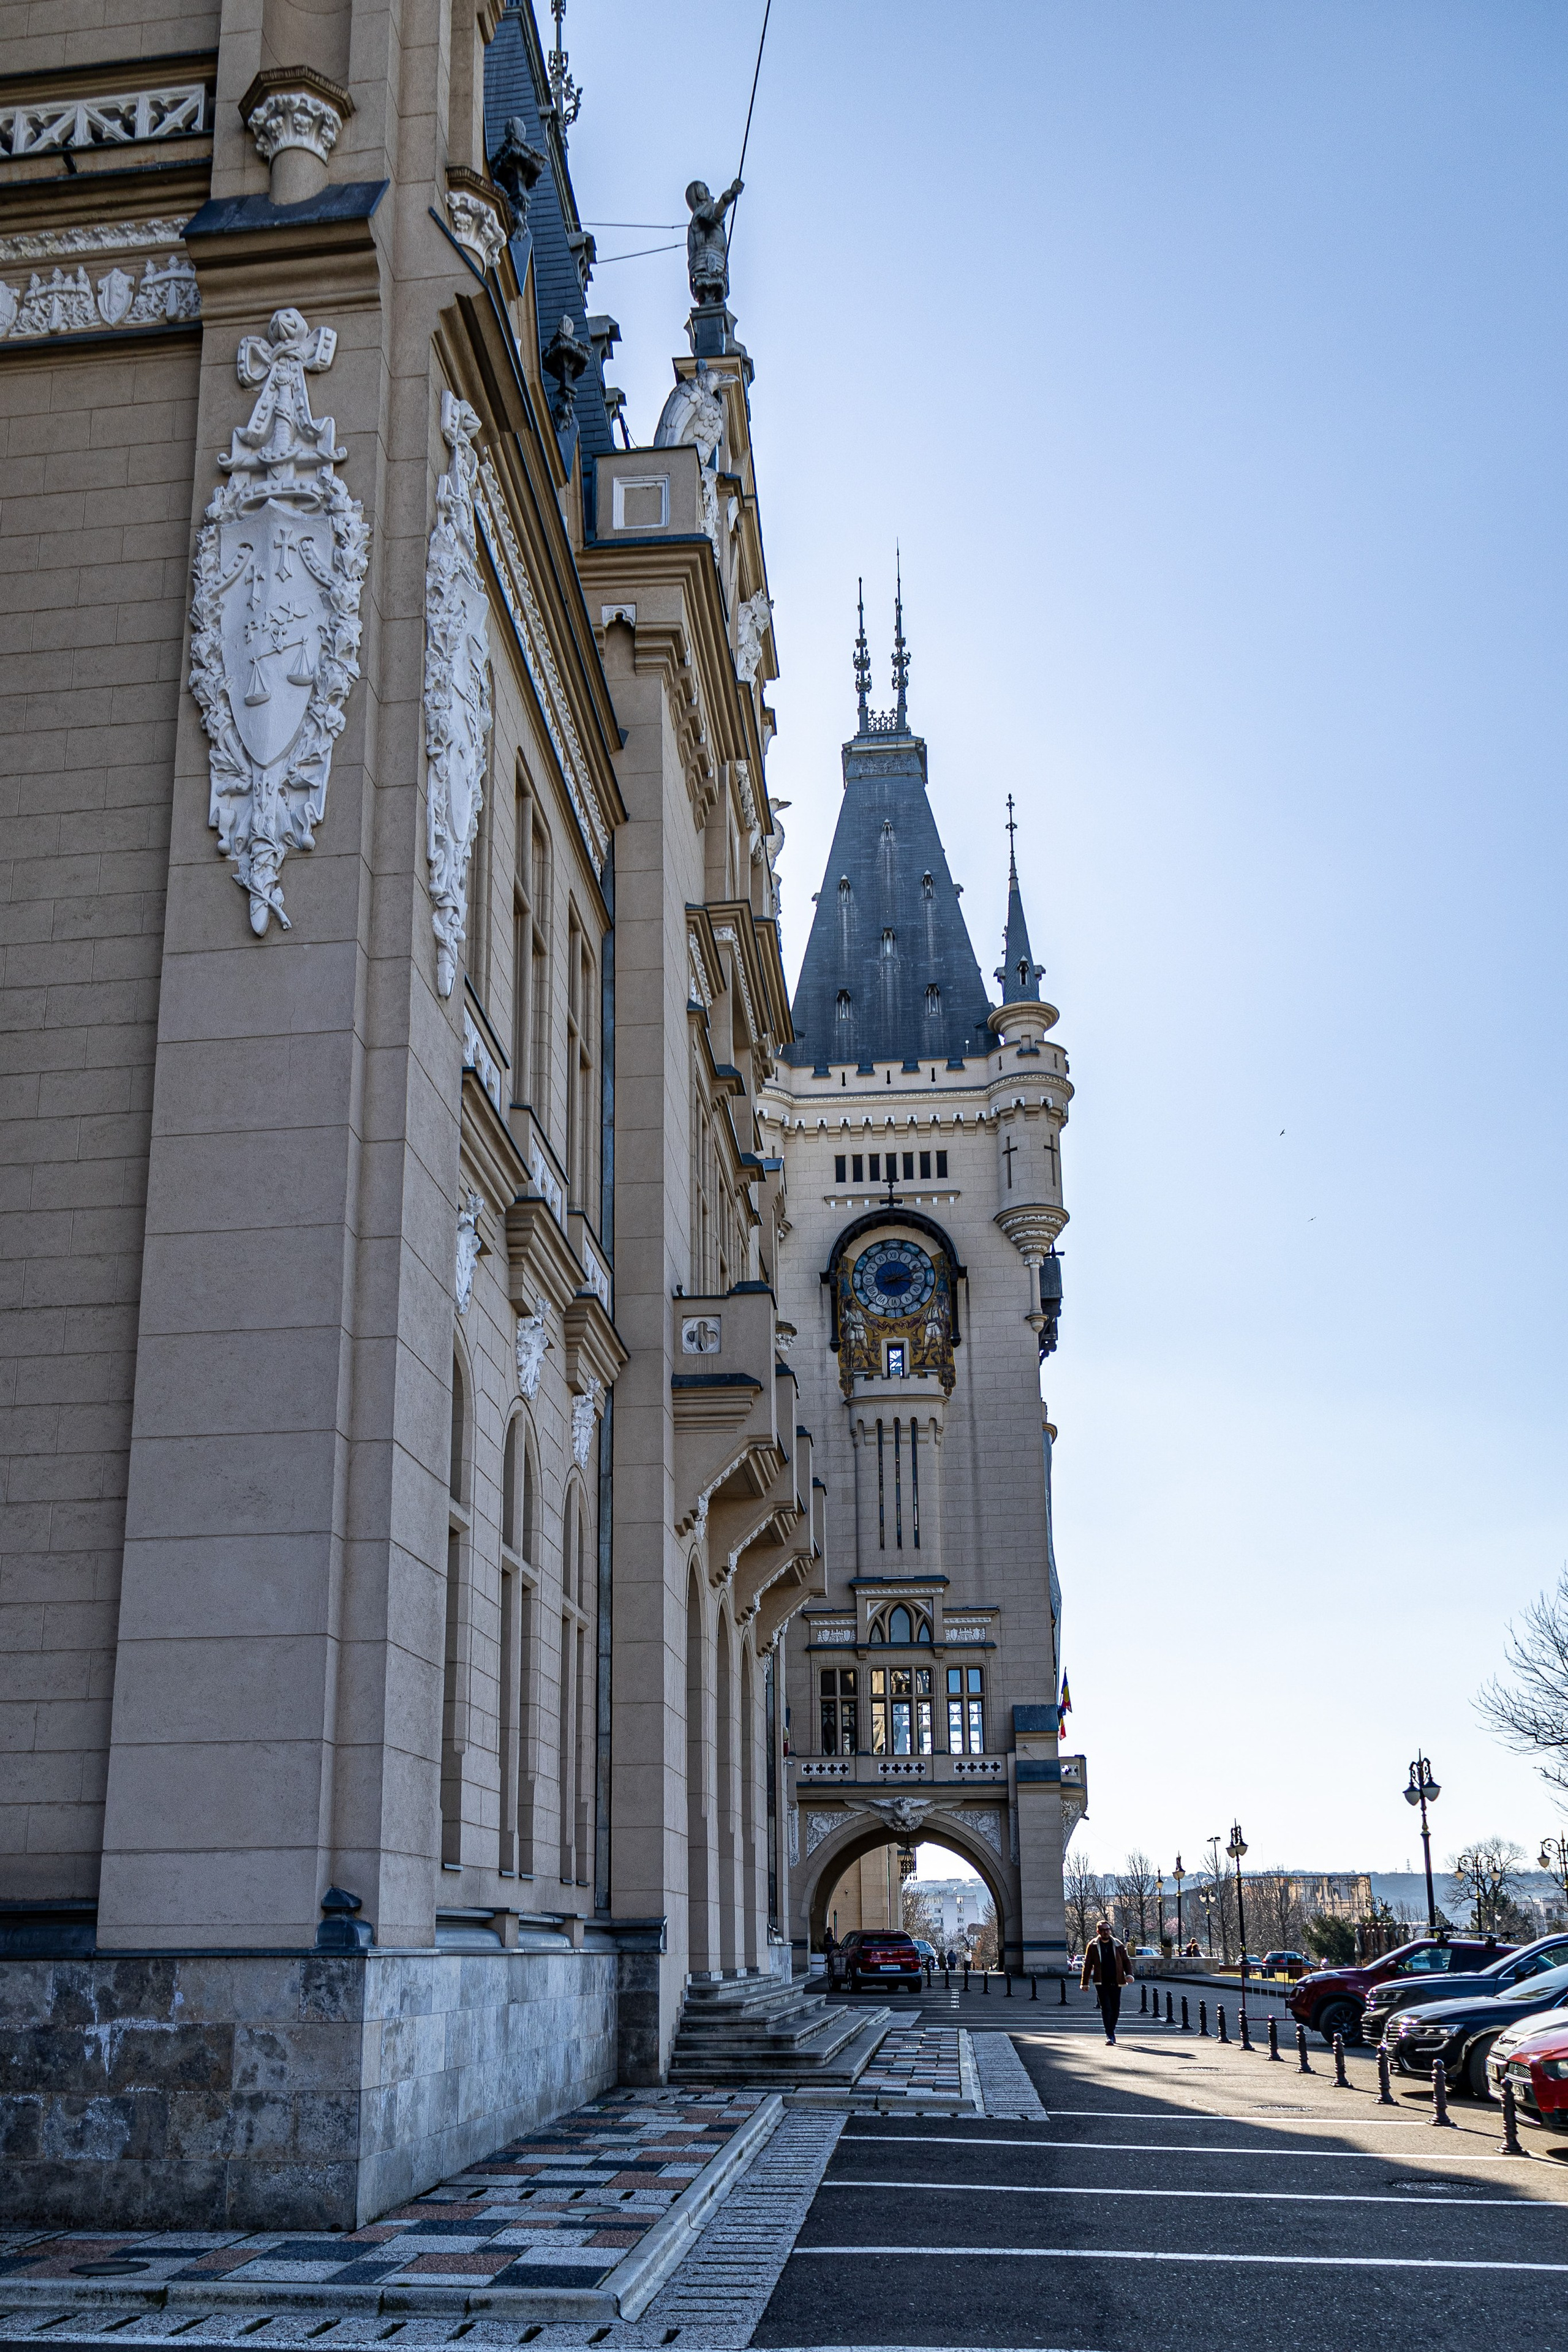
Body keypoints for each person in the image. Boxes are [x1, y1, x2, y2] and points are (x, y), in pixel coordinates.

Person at [1080, 1917, 1133, 2045]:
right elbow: (1087, 1965)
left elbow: (1126, 1961)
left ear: (1110, 1930)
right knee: (1106, 2008)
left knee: (1116, 2008)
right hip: (1101, 1982)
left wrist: (1129, 1974)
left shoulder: (1118, 1945)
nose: (1106, 1932)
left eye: (1108, 1930)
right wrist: (1084, 1983)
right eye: (1103, 1930)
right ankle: (1109, 2034)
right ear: (1098, 1932)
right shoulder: (1093, 1946)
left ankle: (1112, 2030)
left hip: (1117, 1980)